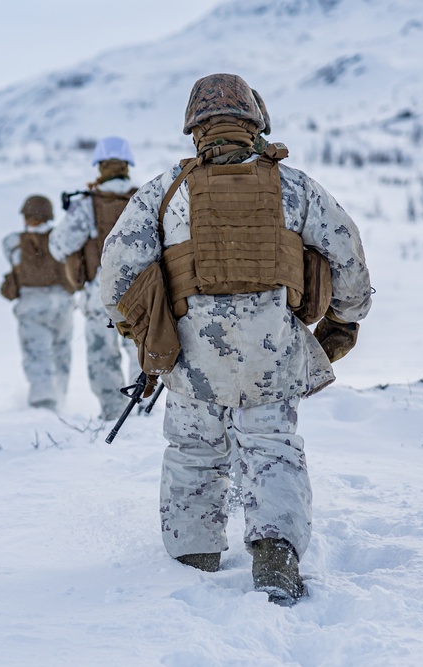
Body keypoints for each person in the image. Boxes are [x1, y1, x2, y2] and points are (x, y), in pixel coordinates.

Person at [99, 73, 372, 605]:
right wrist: (347, 319)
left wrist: (142, 334)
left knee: (194, 452)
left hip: (192, 360)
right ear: (253, 123)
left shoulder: (164, 192)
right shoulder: (295, 187)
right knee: (272, 450)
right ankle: (276, 561)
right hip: (274, 355)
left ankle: (192, 562)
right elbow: (349, 257)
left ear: (194, 129)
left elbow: (116, 275)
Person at [48, 136, 141, 419]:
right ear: (127, 164)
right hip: (143, 289)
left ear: (99, 166)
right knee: (140, 347)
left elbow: (59, 245)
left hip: (101, 292)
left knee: (102, 354)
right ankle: (142, 404)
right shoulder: (142, 197)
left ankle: (114, 411)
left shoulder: (86, 204)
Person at [1, 195, 75, 411]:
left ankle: (44, 401)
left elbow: (10, 252)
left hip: (32, 303)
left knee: (37, 354)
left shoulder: (14, 242)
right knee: (62, 352)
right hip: (62, 303)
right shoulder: (61, 239)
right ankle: (61, 397)